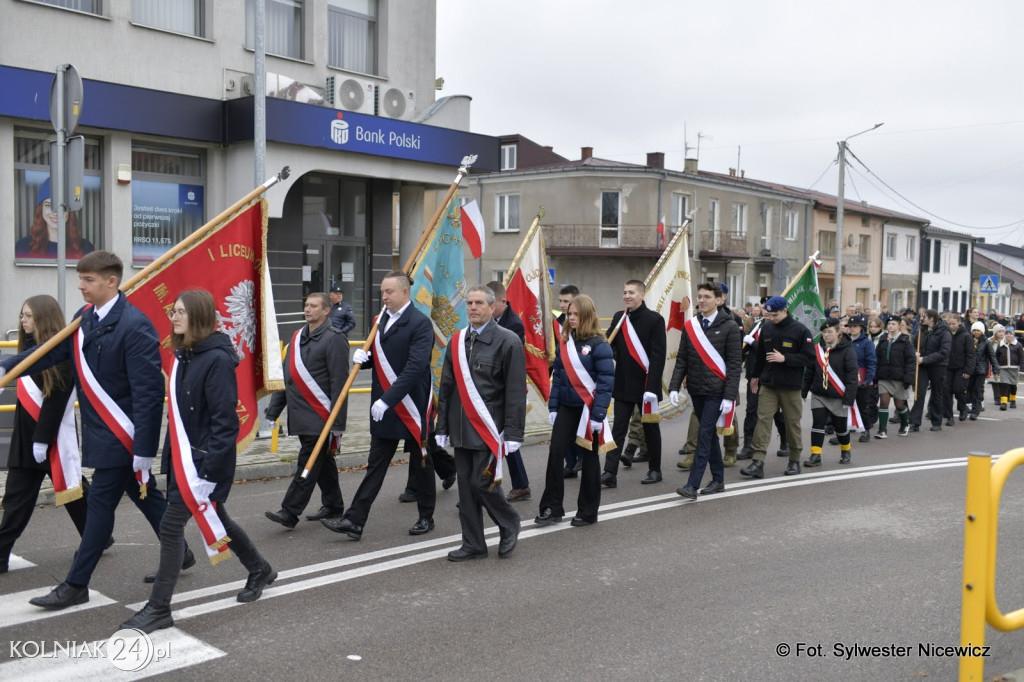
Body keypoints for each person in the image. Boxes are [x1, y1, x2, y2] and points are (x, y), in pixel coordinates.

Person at [0, 251, 190, 609]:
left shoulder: (135, 326)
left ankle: (76, 584)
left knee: (100, 507)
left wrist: (145, 450)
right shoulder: (83, 318)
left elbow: (149, 394)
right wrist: (10, 365)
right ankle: (184, 551)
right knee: (143, 495)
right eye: (80, 278)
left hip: (125, 435)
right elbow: (52, 352)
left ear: (111, 282)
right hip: (103, 431)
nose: (81, 285)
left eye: (88, 280)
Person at [119, 291, 276, 633]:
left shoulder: (215, 360)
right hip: (184, 459)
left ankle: (159, 607)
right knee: (217, 517)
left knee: (171, 527)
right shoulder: (184, 355)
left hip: (205, 464)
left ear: (199, 317)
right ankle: (260, 568)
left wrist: (207, 473)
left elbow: (225, 424)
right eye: (173, 312)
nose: (173, 318)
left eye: (180, 313)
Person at [322, 271, 435, 540]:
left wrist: (388, 400)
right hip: (384, 406)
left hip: (411, 405)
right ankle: (355, 520)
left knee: (421, 463)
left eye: (389, 292)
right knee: (376, 465)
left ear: (404, 293)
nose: (384, 297)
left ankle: (426, 516)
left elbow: (415, 367)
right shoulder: (380, 321)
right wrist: (365, 358)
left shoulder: (420, 323)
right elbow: (382, 359)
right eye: (382, 292)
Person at [0, 295, 103, 574]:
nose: (23, 322)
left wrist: (43, 439)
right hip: (26, 440)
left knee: (73, 494)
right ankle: (1, 552)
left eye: (29, 316)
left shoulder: (60, 352)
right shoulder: (27, 349)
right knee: (16, 499)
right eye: (22, 316)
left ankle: (98, 536)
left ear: (44, 318)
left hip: (53, 438)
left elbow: (56, 399)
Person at [435, 286, 525, 558]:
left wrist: (513, 432)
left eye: (479, 303)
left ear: (491, 307)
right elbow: (447, 385)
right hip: (461, 428)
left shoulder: (508, 341)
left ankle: (509, 522)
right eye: (470, 303)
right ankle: (473, 543)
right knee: (466, 488)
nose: (473, 307)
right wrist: (441, 427)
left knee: (480, 482)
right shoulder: (456, 341)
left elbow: (515, 391)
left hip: (489, 429)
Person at [264, 293, 349, 528]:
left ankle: (290, 511)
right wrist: (273, 412)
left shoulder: (335, 339)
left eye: (313, 306)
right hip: (300, 416)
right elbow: (287, 377)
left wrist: (338, 424)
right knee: (323, 462)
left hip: (320, 417)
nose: (307, 309)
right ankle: (334, 505)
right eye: (306, 305)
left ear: (326, 311)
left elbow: (339, 385)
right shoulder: (297, 337)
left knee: (308, 463)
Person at [535, 294, 613, 527]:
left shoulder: (600, 344)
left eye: (576, 314)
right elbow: (558, 376)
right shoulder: (565, 341)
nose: (571, 318)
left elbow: (606, 382)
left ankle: (588, 511)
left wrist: (599, 414)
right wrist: (553, 406)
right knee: (556, 452)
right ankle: (552, 507)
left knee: (589, 460)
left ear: (587, 315)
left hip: (589, 410)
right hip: (567, 407)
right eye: (569, 314)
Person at [669, 282, 742, 498]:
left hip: (717, 392)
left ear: (719, 300)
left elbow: (735, 364)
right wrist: (674, 387)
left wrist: (729, 396)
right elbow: (682, 358)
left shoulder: (729, 326)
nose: (702, 300)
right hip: (696, 389)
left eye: (707, 297)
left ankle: (692, 485)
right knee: (708, 437)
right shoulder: (691, 325)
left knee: (704, 435)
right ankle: (718, 479)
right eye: (699, 296)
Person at [740, 295, 814, 479]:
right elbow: (760, 356)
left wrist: (786, 359)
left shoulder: (800, 331)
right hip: (769, 384)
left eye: (775, 315)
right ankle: (757, 462)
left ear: (784, 310)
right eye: (769, 315)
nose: (771, 318)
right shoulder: (767, 329)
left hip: (790, 386)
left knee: (791, 423)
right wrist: (755, 376)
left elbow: (810, 359)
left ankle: (794, 460)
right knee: (763, 419)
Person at [601, 279, 666, 487]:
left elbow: (658, 357)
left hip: (647, 385)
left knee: (650, 429)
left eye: (631, 292)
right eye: (625, 292)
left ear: (642, 295)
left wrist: (652, 388)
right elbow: (609, 344)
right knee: (618, 429)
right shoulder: (620, 318)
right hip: (623, 384)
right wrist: (621, 357)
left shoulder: (655, 320)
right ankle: (610, 473)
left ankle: (655, 470)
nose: (627, 296)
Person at [485, 280, 531, 502]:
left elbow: (506, 359)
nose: (489, 309)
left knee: (505, 438)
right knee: (490, 437)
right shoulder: (486, 321)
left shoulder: (514, 324)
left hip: (506, 389)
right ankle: (487, 485)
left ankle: (517, 484)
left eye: (492, 305)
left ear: (503, 301)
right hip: (488, 390)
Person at [804, 318, 858, 467]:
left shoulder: (848, 350)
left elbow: (852, 376)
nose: (826, 335)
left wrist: (849, 399)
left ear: (838, 332)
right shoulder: (818, 349)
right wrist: (803, 391)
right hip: (819, 394)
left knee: (840, 428)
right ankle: (815, 455)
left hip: (838, 396)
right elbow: (809, 372)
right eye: (824, 332)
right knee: (818, 423)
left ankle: (845, 450)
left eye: (829, 332)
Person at [15, 178, 95, 260]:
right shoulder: (23, 247)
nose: (55, 213)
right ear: (40, 210)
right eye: (48, 205)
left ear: (70, 212)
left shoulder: (86, 248)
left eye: (62, 206)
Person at [554, 285, 586, 477]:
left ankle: (582, 458)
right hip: (563, 380)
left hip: (581, 384)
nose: (563, 305)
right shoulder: (556, 323)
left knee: (579, 426)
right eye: (561, 301)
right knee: (564, 429)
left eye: (567, 301)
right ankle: (570, 462)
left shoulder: (583, 323)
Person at [909, 309, 951, 432]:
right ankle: (914, 422)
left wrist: (925, 359)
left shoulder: (944, 332)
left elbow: (944, 352)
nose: (922, 319)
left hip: (938, 366)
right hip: (922, 365)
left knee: (936, 394)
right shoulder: (921, 329)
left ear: (931, 319)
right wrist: (914, 353)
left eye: (924, 317)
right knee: (919, 392)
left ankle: (936, 421)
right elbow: (913, 344)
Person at [873, 317, 916, 438]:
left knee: (899, 405)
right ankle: (882, 430)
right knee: (884, 402)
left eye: (893, 324)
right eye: (889, 324)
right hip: (884, 377)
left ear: (899, 326)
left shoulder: (905, 341)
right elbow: (877, 359)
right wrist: (875, 376)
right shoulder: (883, 339)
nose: (890, 326)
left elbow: (910, 361)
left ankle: (904, 424)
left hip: (899, 378)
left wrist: (908, 378)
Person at [846, 315, 877, 442]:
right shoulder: (845, 341)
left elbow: (871, 362)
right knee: (845, 406)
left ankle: (865, 430)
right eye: (850, 327)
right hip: (846, 377)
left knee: (862, 406)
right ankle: (843, 432)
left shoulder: (867, 343)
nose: (852, 329)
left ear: (861, 328)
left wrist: (868, 380)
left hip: (862, 378)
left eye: (855, 326)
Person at [943, 313, 975, 424]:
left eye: (953, 324)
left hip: (961, 368)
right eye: (949, 324)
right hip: (947, 367)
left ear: (959, 323)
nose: (951, 326)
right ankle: (949, 416)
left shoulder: (966, 336)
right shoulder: (945, 335)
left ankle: (962, 408)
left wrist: (968, 370)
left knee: (958, 390)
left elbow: (971, 354)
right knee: (946, 392)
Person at [968, 321, 998, 420]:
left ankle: (975, 411)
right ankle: (967, 407)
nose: (976, 332)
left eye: (978, 330)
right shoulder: (968, 340)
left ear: (982, 331)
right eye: (974, 330)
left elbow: (992, 357)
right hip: (969, 370)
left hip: (980, 370)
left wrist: (996, 370)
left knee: (977, 390)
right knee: (968, 389)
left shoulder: (986, 342)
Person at [992, 324, 1021, 411]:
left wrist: (1022, 369)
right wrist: (996, 367)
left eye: (1010, 334)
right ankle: (1004, 402)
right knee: (1004, 385)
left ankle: (1012, 400)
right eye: (1007, 333)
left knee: (1013, 385)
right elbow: (996, 356)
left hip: (1014, 368)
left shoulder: (1018, 345)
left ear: (1013, 335)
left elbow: (1022, 357)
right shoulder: (1001, 344)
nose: (1008, 335)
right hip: (1003, 368)